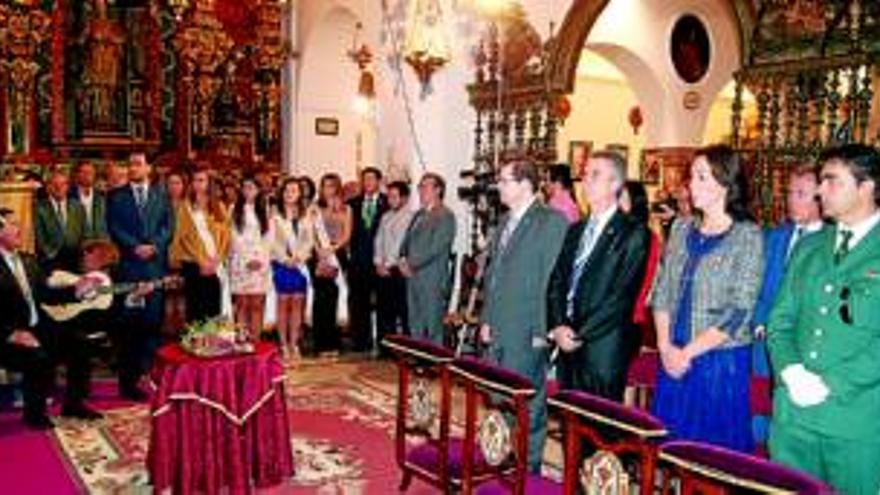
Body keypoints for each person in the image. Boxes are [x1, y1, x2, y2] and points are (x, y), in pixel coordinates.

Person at [768, 144, 880, 494]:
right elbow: (780, 321)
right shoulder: (809, 247)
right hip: (793, 418)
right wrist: (792, 372)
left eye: (832, 181)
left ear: (867, 187)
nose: (820, 190)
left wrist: (829, 383)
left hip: (854, 420)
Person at [650, 144, 763, 452]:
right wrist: (664, 347)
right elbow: (662, 290)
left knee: (710, 456)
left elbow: (739, 310)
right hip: (672, 350)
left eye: (701, 177)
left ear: (725, 183)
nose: (691, 185)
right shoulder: (682, 227)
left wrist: (686, 354)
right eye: (692, 176)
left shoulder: (747, 236)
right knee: (671, 448)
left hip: (717, 358)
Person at [479, 159, 567, 473]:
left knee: (529, 402)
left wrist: (542, 330)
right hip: (500, 323)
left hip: (529, 327)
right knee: (498, 396)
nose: (498, 186)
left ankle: (528, 468)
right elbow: (494, 276)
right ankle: (501, 455)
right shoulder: (505, 221)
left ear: (525, 184)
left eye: (504, 180)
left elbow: (551, 279)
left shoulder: (551, 221)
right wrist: (486, 319)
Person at [547, 153, 649, 401]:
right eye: (585, 174)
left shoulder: (632, 233)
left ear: (615, 184)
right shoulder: (575, 230)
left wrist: (578, 334)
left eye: (595, 174)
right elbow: (557, 281)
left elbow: (620, 297)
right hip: (567, 343)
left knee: (598, 432)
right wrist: (559, 325)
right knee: (570, 425)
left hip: (601, 348)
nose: (586, 181)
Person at [0, 208, 104, 428]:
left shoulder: (28, 260)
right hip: (8, 335)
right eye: (13, 224)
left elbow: (46, 294)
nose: (20, 229)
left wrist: (77, 289)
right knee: (37, 357)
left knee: (80, 343)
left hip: (37, 326)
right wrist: (11, 334)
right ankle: (34, 415)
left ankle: (73, 405)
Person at [751, 165, 824, 451]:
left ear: (820, 198)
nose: (792, 200)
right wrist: (759, 321)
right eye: (790, 193)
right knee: (759, 411)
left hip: (800, 347)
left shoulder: (827, 242)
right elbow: (757, 286)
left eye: (801, 194)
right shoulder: (774, 237)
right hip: (763, 339)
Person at [106, 152, 173, 400]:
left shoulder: (161, 195)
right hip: (130, 268)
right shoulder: (115, 197)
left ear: (149, 168)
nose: (133, 168)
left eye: (138, 164)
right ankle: (129, 383)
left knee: (152, 325)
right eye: (130, 163)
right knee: (129, 328)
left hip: (155, 268)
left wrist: (154, 245)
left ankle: (151, 376)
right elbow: (114, 227)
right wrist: (135, 246)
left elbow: (168, 226)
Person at [400, 173, 456, 344]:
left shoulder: (445, 216)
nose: (421, 190)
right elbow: (406, 240)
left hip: (432, 278)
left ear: (438, 190)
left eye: (425, 186)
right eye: (420, 187)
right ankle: (419, 362)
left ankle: (434, 367)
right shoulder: (418, 214)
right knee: (415, 322)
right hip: (412, 277)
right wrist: (402, 259)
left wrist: (411, 263)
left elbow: (435, 248)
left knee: (433, 326)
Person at [169, 167, 230, 323]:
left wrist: (217, 259)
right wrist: (201, 260)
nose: (197, 184)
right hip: (193, 264)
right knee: (196, 309)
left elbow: (226, 237)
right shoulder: (186, 207)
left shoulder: (219, 207)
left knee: (213, 308)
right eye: (195, 180)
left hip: (214, 265)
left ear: (209, 183)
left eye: (201, 180)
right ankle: (195, 345)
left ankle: (213, 344)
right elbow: (183, 237)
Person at [271, 177, 314, 358]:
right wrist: (284, 258)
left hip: (299, 265)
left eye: (294, 191)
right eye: (287, 190)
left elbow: (309, 240)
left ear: (299, 194)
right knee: (283, 304)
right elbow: (271, 240)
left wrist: (300, 257)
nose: (291, 194)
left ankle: (294, 343)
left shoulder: (305, 215)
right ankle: (282, 343)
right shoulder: (273, 214)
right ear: (282, 193)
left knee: (297, 304)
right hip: (280, 264)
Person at [347, 167, 388, 352]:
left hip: (380, 261)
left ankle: (383, 342)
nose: (368, 183)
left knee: (382, 303)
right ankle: (360, 342)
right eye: (365, 180)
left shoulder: (387, 202)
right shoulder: (352, 204)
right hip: (358, 260)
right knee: (358, 302)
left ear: (379, 181)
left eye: (372, 179)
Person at [229, 175, 274, 340]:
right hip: (241, 262)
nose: (248, 191)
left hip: (260, 263)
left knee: (257, 304)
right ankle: (241, 339)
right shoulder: (233, 209)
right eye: (245, 187)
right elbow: (233, 237)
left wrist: (259, 259)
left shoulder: (266, 210)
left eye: (252, 187)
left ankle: (255, 340)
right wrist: (247, 259)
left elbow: (269, 238)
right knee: (242, 304)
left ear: (258, 190)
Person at [311, 173, 352, 353]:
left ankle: (332, 341)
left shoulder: (346, 208)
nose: (328, 189)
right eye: (325, 185)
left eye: (332, 185)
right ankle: (320, 342)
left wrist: (333, 249)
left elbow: (347, 234)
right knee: (321, 298)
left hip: (337, 255)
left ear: (337, 187)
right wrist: (319, 251)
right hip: (318, 255)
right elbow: (310, 233)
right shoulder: (314, 208)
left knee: (335, 296)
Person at [620, 180, 661, 349]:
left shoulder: (643, 236)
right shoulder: (621, 231)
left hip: (629, 315)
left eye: (621, 197)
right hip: (626, 315)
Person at [374, 181, 414, 341]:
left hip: (397, 269)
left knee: (402, 309)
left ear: (404, 198)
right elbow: (379, 240)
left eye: (394, 197)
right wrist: (378, 262)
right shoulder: (386, 216)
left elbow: (400, 243)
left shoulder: (410, 217)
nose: (390, 200)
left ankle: (404, 346)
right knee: (384, 310)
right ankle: (385, 346)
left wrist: (388, 264)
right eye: (389, 197)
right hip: (383, 268)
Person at [35, 169, 86, 271]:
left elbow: (84, 232)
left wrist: (82, 254)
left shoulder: (78, 207)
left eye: (63, 184)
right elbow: (39, 237)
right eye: (54, 184)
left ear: (68, 187)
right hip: (51, 261)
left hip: (75, 260)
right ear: (47, 187)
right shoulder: (38, 208)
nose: (59, 188)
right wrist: (51, 255)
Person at [70, 161, 108, 240]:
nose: (87, 175)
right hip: (76, 242)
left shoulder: (102, 196)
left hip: (98, 241)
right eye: (83, 172)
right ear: (77, 174)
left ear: (94, 175)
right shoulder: (68, 195)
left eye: (90, 172)